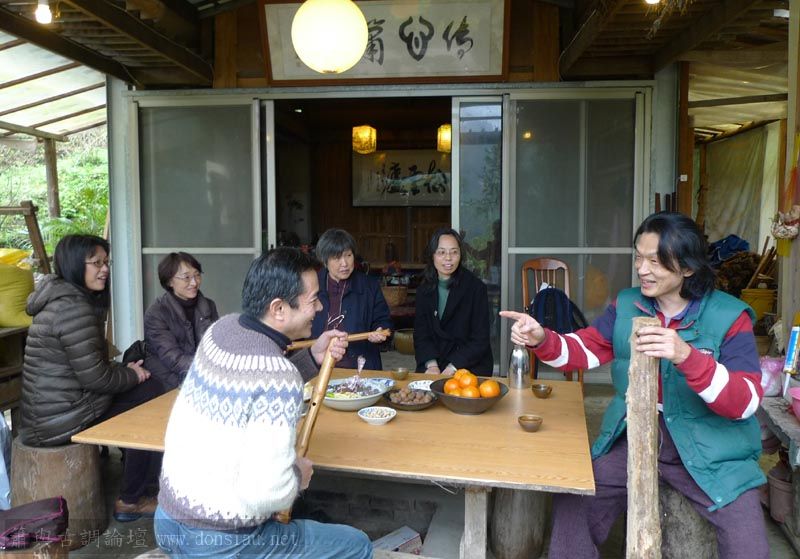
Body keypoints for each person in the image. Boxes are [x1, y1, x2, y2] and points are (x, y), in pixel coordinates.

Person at [500, 212, 768, 559]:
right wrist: (542, 338)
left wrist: (687, 356)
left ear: (687, 267)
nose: (642, 269)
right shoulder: (628, 304)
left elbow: (746, 401)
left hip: (713, 449)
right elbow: (587, 349)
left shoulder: (729, 316)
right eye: (638, 257)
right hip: (636, 436)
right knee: (575, 498)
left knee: (749, 543)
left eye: (655, 261)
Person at [154, 247, 373, 559]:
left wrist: (312, 357)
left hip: (168, 520)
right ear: (279, 308)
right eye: (313, 299)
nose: (320, 307)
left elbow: (254, 385)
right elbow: (267, 493)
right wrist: (297, 476)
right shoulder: (277, 378)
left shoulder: (221, 330)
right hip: (223, 541)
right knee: (357, 545)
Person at [20, 234, 164, 521]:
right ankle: (133, 499)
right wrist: (133, 375)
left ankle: (138, 482)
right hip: (60, 419)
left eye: (106, 262)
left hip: (48, 414)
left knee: (144, 387)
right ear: (75, 265)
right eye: (96, 263)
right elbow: (96, 379)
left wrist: (126, 371)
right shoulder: (74, 308)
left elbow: (88, 368)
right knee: (149, 399)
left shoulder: (61, 298)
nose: (105, 269)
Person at [414, 227, 493, 375]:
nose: (448, 258)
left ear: (460, 255)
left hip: (468, 364)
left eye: (454, 252)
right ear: (432, 255)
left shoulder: (476, 288)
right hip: (436, 362)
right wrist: (431, 365)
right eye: (441, 252)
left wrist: (452, 367)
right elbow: (421, 334)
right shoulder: (424, 290)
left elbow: (480, 339)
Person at [311, 228, 391, 370]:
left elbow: (383, 320)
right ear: (325, 261)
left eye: (348, 255)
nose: (344, 263)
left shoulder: (369, 286)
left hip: (361, 366)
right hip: (318, 367)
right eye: (337, 258)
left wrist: (380, 330)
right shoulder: (311, 285)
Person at [143, 252, 218, 392]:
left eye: (197, 275)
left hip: (201, 374)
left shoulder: (209, 305)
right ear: (170, 281)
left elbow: (216, 346)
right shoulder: (157, 312)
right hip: (166, 378)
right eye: (186, 277)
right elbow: (173, 358)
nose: (194, 282)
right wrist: (208, 371)